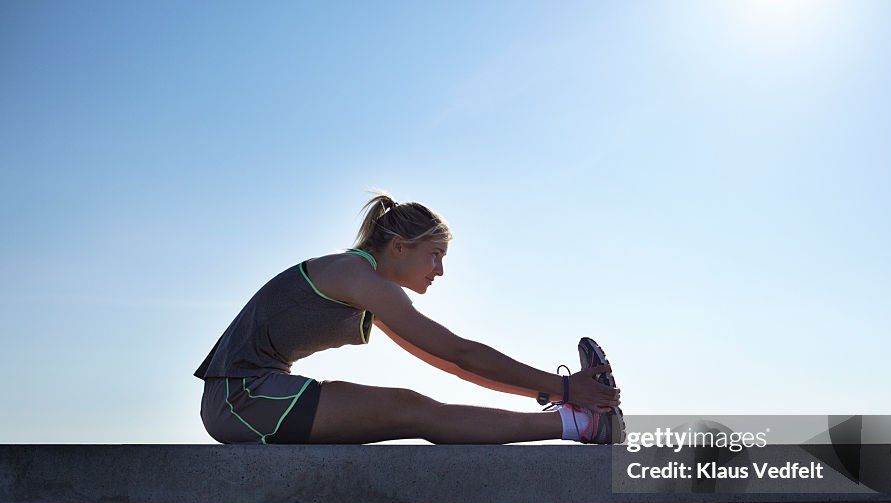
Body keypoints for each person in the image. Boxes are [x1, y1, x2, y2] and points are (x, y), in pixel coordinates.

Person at [194, 193, 623, 445]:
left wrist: (554, 388)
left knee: (413, 406)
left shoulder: (362, 284)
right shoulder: (356, 277)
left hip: (252, 395)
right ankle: (582, 423)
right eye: (434, 255)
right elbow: (460, 353)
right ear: (399, 246)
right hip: (241, 399)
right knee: (411, 409)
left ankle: (578, 419)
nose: (439, 270)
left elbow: (452, 364)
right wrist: (564, 386)